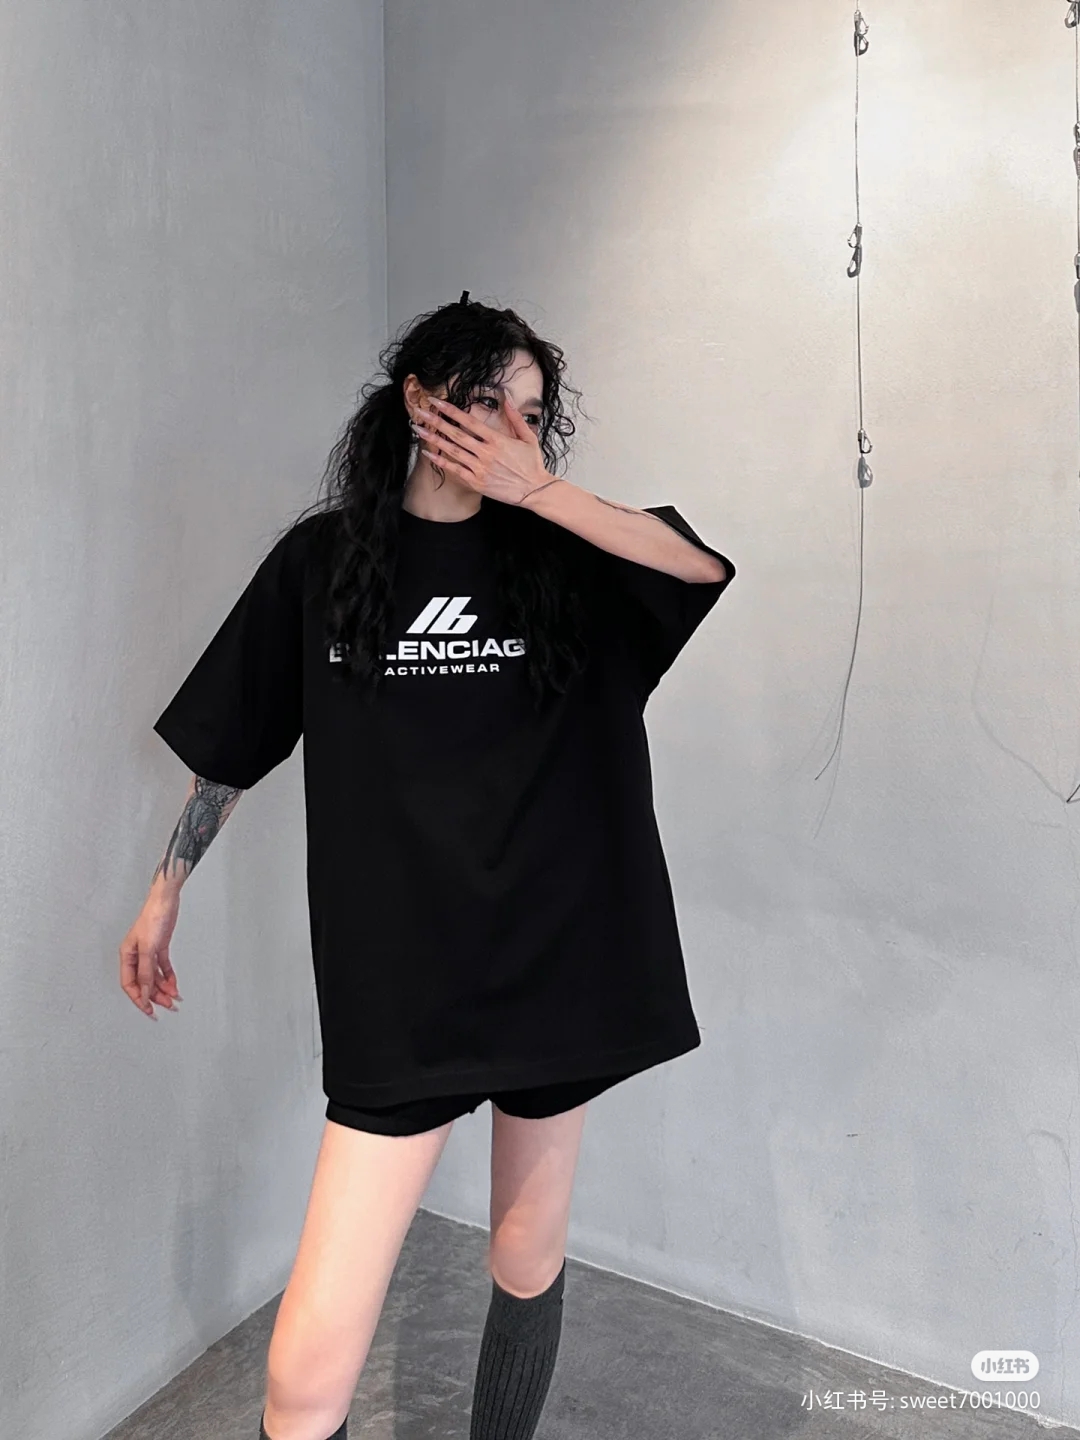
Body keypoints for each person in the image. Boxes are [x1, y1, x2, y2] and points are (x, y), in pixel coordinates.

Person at [119, 292, 736, 1440]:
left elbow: (696, 570)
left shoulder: (569, 554)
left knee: (525, 1250)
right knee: (306, 1373)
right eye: (483, 401)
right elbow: (235, 738)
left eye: (532, 414)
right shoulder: (322, 564)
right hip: (400, 980)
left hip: (559, 955)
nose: (509, 431)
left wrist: (541, 494)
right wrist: (165, 890)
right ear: (417, 400)